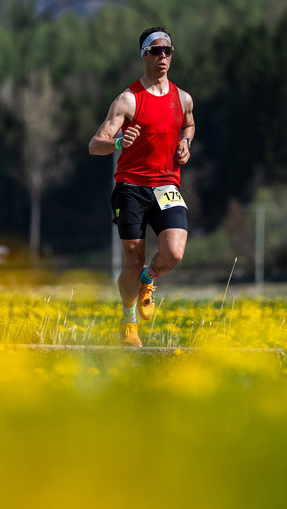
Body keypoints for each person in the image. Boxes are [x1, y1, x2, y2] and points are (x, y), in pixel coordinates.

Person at [88, 26, 195, 347]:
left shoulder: (183, 98)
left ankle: (150, 278)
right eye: (155, 51)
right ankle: (128, 320)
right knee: (132, 261)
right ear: (144, 55)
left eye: (168, 51)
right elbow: (96, 144)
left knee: (173, 253)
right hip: (131, 187)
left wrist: (186, 142)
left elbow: (188, 123)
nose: (163, 56)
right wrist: (119, 141)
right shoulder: (128, 100)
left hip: (167, 185)